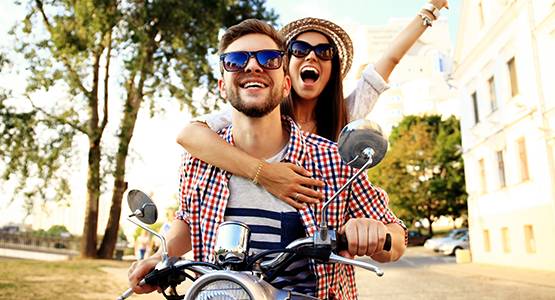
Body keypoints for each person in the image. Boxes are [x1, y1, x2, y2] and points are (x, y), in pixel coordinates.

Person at [128, 18, 407, 299]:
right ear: (222, 86)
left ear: (286, 84)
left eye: (269, 58)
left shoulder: (333, 159)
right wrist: (162, 257)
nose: (252, 66)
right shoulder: (198, 159)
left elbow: (397, 238)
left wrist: (373, 232)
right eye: (235, 61)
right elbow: (189, 220)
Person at [175, 0, 450, 210]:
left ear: (333, 69)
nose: (312, 57)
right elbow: (189, 135)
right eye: (299, 49)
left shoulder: (347, 115)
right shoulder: (263, 110)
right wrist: (265, 173)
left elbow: (389, 59)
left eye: (324, 52)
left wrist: (431, 9)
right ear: (284, 68)